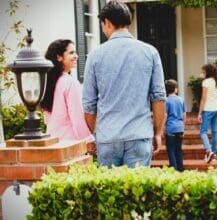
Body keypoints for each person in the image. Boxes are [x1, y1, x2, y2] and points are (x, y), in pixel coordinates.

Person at [82, 0, 166, 168]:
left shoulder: (95, 55)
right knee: (137, 193)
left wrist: (96, 133)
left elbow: (89, 104)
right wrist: (158, 132)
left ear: (107, 22)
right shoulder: (150, 52)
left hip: (108, 137)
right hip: (139, 133)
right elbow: (158, 98)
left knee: (109, 192)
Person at [41, 39, 96, 155]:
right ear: (59, 57)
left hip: (52, 142)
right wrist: (89, 140)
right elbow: (77, 117)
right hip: (70, 144)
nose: (76, 56)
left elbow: (47, 119)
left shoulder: (48, 83)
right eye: (71, 53)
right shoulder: (70, 83)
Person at [198, 64, 217, 163]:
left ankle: (208, 151)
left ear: (207, 72)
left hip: (208, 109)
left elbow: (203, 98)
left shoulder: (206, 82)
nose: (202, 73)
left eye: (203, 72)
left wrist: (199, 112)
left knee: (203, 131)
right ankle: (214, 154)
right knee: (215, 132)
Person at [164, 79, 186, 172]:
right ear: (175, 89)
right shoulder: (181, 99)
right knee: (178, 150)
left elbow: (165, 115)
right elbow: (184, 114)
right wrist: (183, 127)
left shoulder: (166, 101)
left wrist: (162, 128)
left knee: (171, 150)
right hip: (180, 127)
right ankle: (181, 169)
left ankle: (174, 170)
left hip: (170, 128)